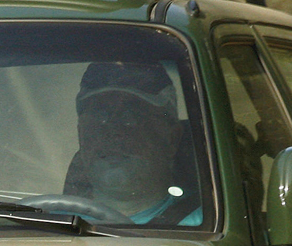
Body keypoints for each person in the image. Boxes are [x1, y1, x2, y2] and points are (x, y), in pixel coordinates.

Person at [71, 61, 202, 225]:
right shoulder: (43, 222)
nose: (113, 132)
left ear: (172, 137)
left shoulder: (205, 223)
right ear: (80, 134)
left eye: (130, 117)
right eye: (100, 117)